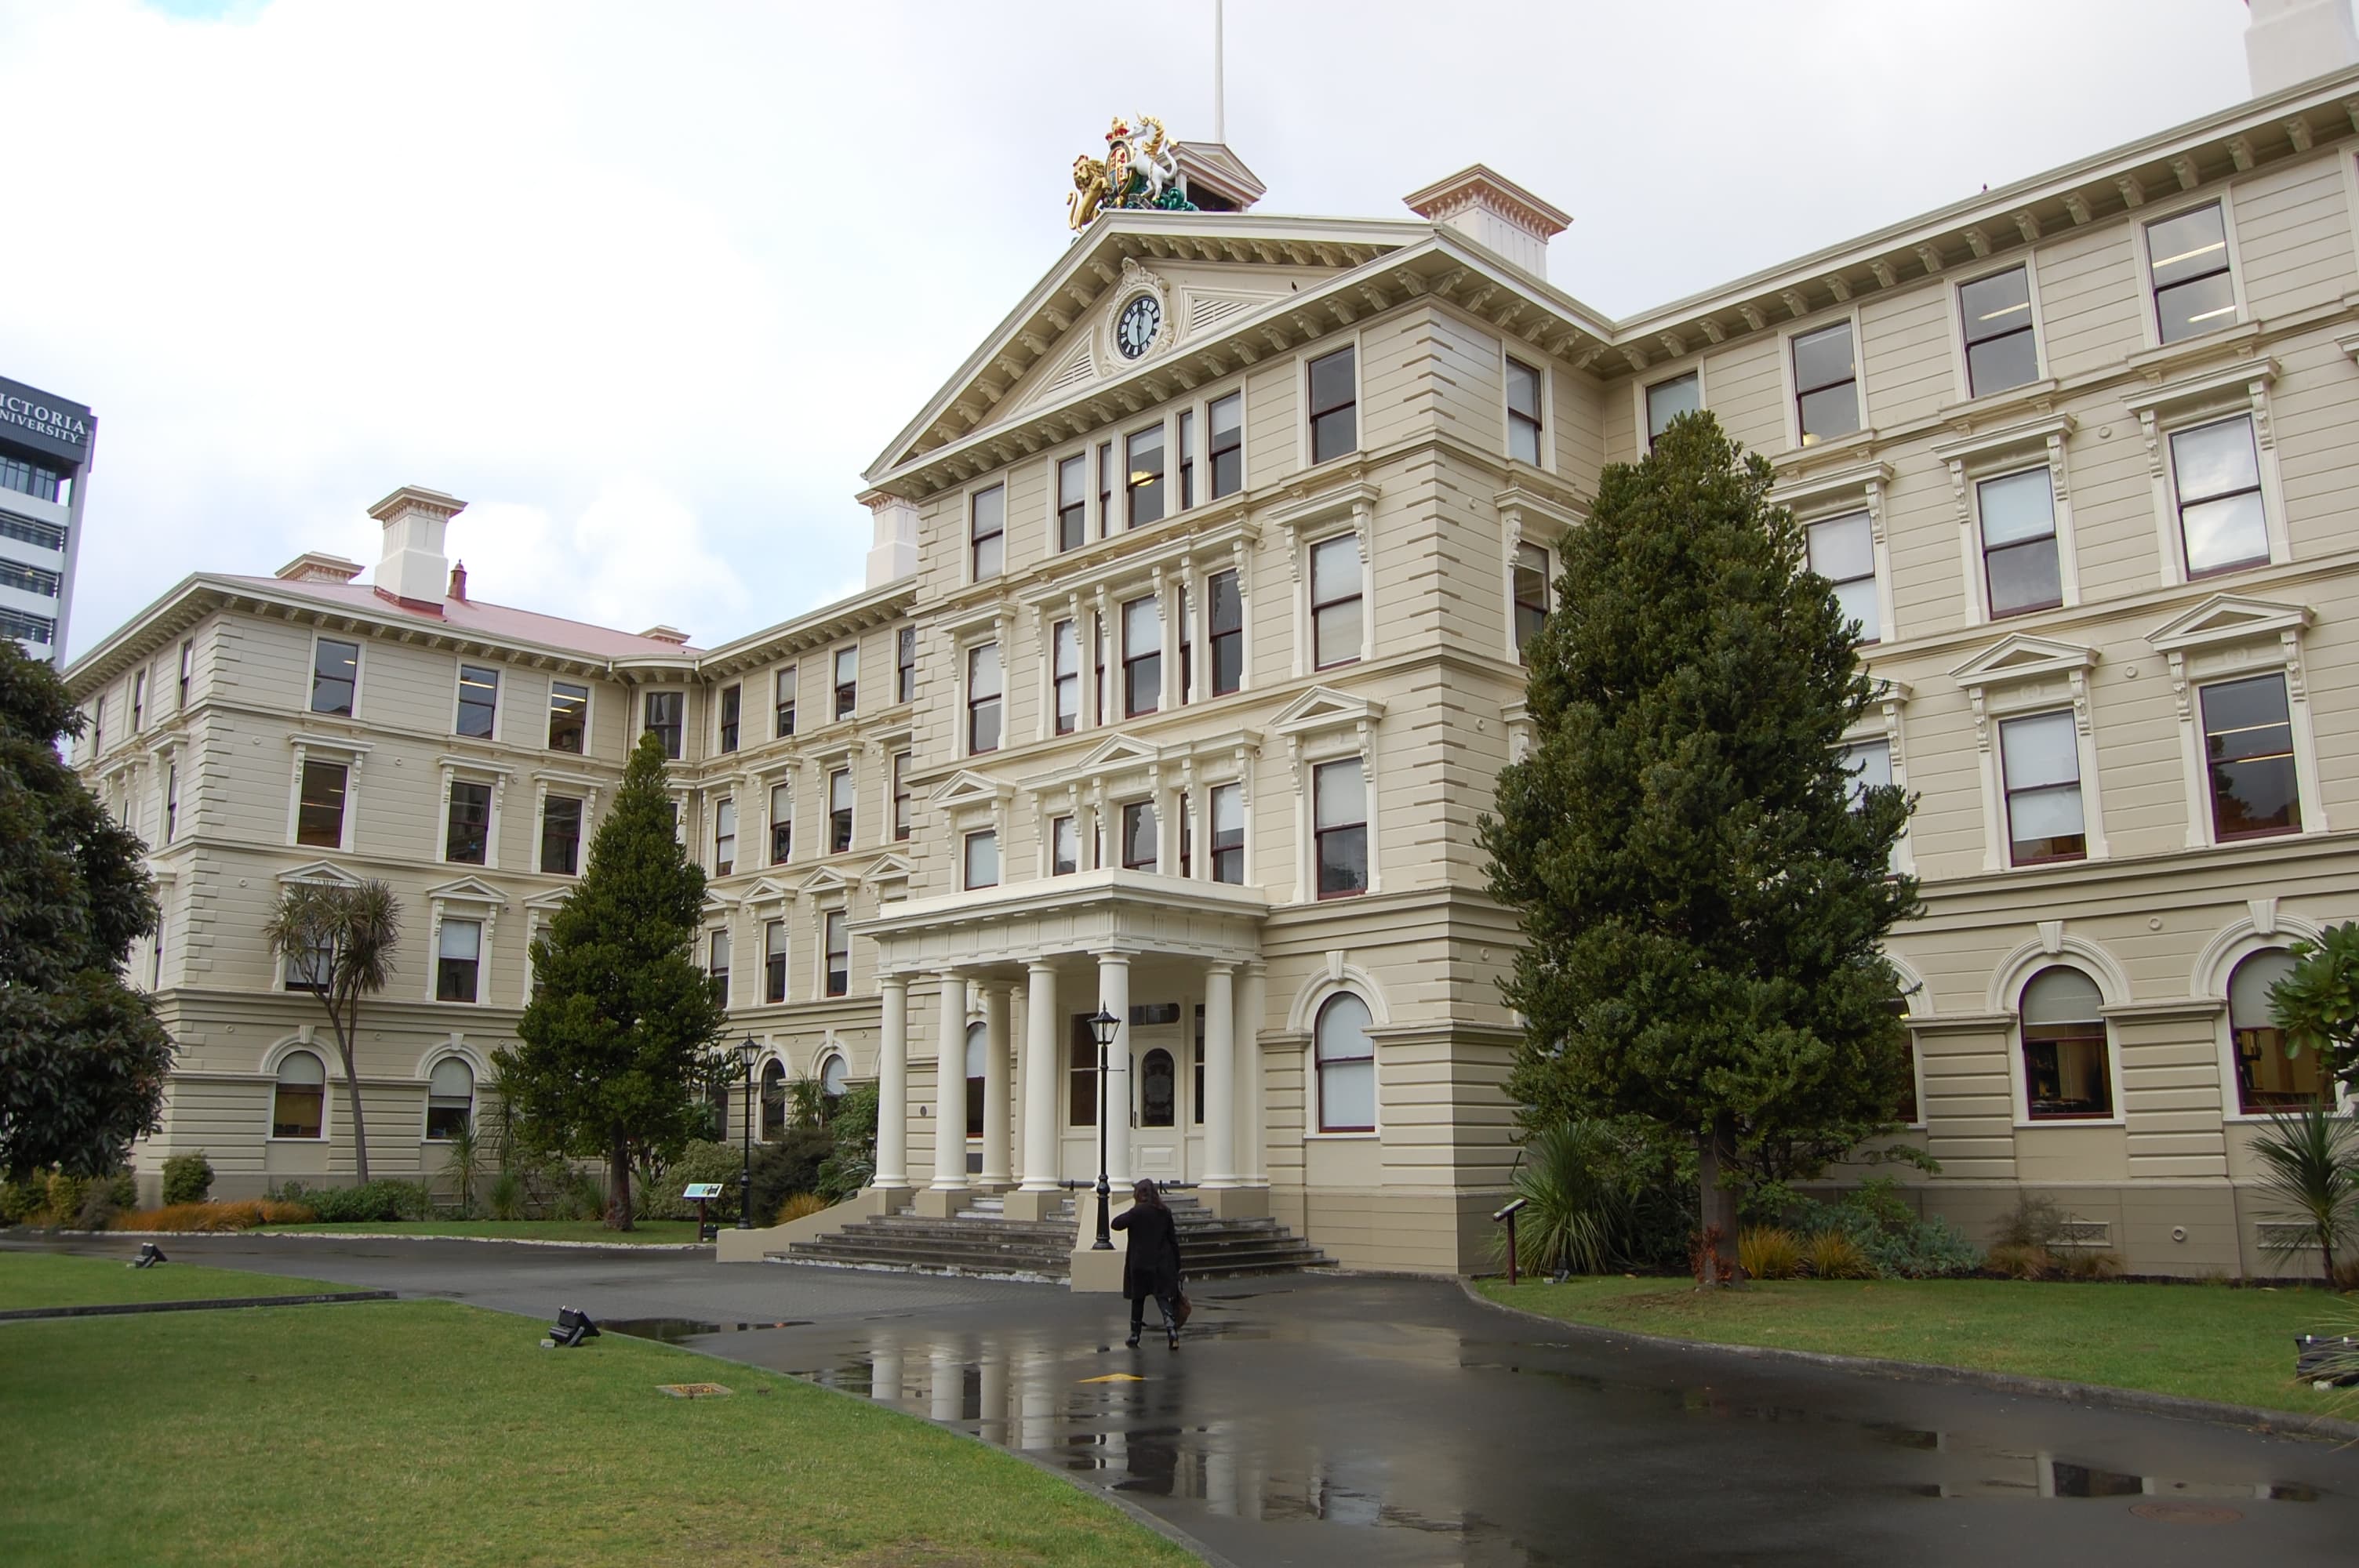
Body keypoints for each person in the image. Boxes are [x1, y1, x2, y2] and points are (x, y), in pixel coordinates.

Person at [1110, 1178, 1184, 1348]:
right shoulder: (1165, 1211)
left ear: (1138, 1194)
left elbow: (1116, 1224)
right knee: (1163, 1298)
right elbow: (1173, 1240)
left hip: (1140, 1263)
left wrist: (1132, 1212)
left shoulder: (1137, 1212)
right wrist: (1178, 1265)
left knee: (1138, 1299)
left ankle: (1135, 1335)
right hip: (1162, 1262)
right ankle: (1172, 1331)